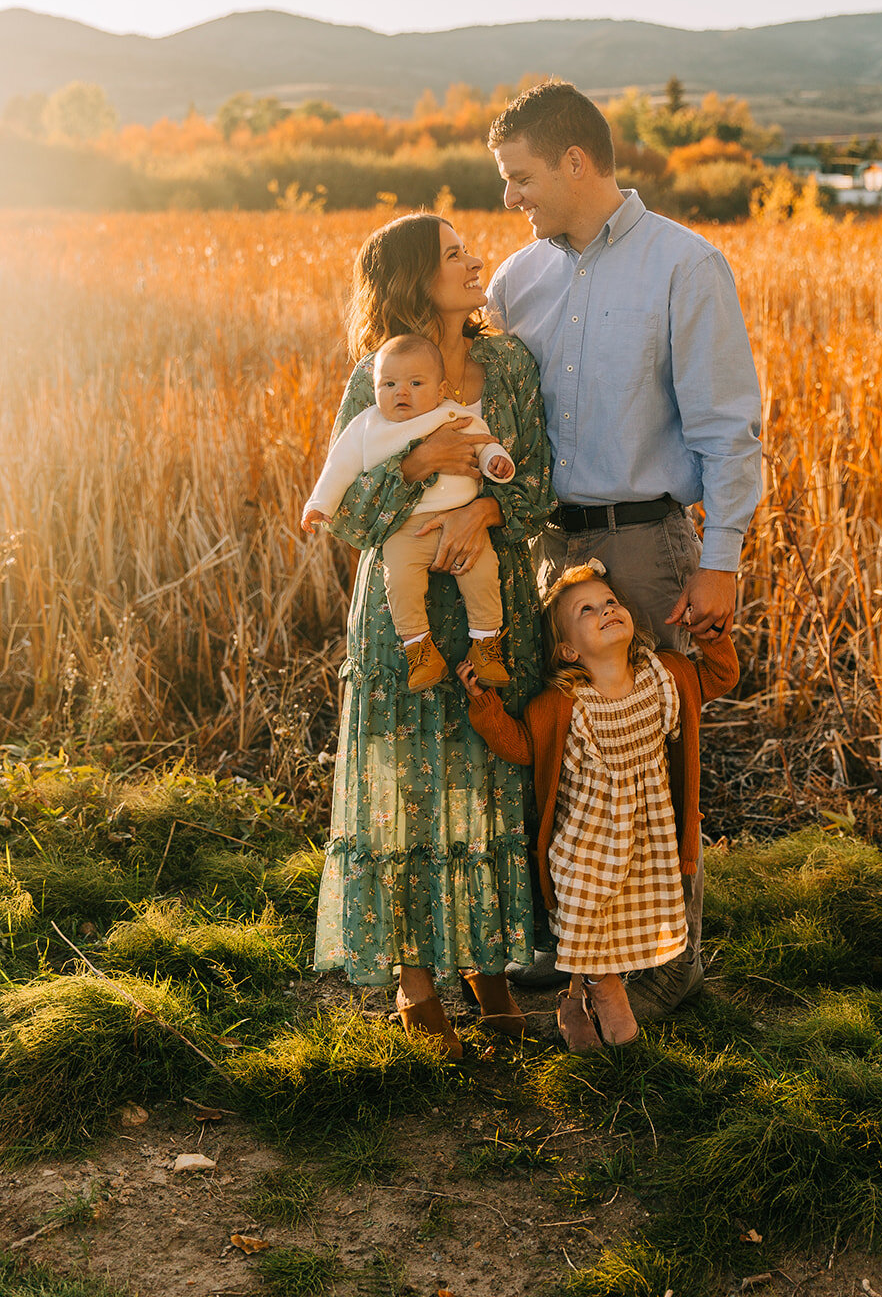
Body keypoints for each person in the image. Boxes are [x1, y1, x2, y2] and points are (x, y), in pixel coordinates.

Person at [486, 80, 762, 1018]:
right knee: (560, 753)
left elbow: (729, 427)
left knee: (654, 751)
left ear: (574, 160)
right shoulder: (515, 281)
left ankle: (665, 964)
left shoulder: (685, 265)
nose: (510, 199)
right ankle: (564, 948)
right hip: (543, 547)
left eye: (519, 177)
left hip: (645, 543)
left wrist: (718, 557)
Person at [312, 212, 555, 1058]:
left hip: (492, 608)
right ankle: (417, 983)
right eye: (454, 255)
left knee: (485, 778)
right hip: (403, 617)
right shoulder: (375, 377)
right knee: (404, 787)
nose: (475, 260)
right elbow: (346, 509)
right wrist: (416, 464)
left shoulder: (510, 366)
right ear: (417, 279)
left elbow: (538, 483)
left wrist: (488, 509)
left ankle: (486, 968)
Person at [458, 562, 739, 1048]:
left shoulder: (664, 676)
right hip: (584, 841)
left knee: (618, 925)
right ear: (568, 649)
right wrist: (485, 706)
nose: (606, 609)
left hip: (645, 839)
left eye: (610, 601)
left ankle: (574, 1001)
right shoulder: (563, 703)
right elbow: (524, 746)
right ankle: (604, 990)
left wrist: (711, 633)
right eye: (587, 609)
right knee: (586, 912)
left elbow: (721, 675)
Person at [302, 333, 515, 692]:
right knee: (399, 579)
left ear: (440, 389)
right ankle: (419, 648)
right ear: (374, 387)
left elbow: (483, 443)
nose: (401, 392)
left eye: (416, 384)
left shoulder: (450, 414)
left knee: (482, 573)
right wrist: (318, 505)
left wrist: (496, 463)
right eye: (389, 384)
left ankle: (486, 642)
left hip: (465, 520)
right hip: (405, 529)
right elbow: (338, 467)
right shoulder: (368, 426)